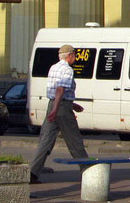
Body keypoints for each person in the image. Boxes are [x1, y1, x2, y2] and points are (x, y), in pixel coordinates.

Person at [29, 44, 89, 184]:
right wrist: (58, 109)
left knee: (46, 140)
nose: (75, 57)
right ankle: (88, 172)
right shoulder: (67, 70)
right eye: (74, 54)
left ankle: (33, 173)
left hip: (53, 104)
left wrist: (71, 105)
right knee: (74, 140)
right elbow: (60, 90)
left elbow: (55, 91)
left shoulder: (54, 67)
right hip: (60, 108)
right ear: (69, 56)